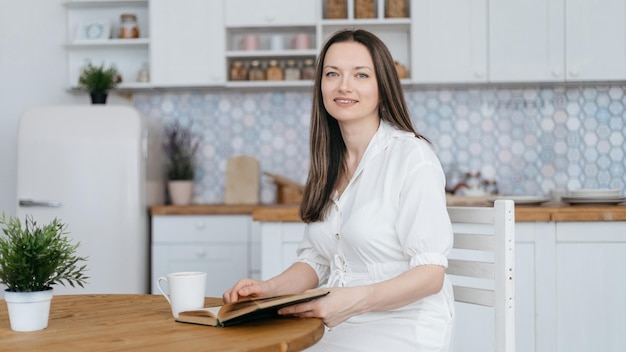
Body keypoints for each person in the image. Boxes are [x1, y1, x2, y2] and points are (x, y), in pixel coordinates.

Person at [224, 29, 455, 351]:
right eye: (332, 74)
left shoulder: (412, 157)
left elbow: (431, 275)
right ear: (320, 85)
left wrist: (352, 301)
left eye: (361, 74)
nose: (343, 86)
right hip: (335, 320)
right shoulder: (327, 165)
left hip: (402, 325)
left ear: (382, 87)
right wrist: (269, 288)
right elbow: (317, 260)